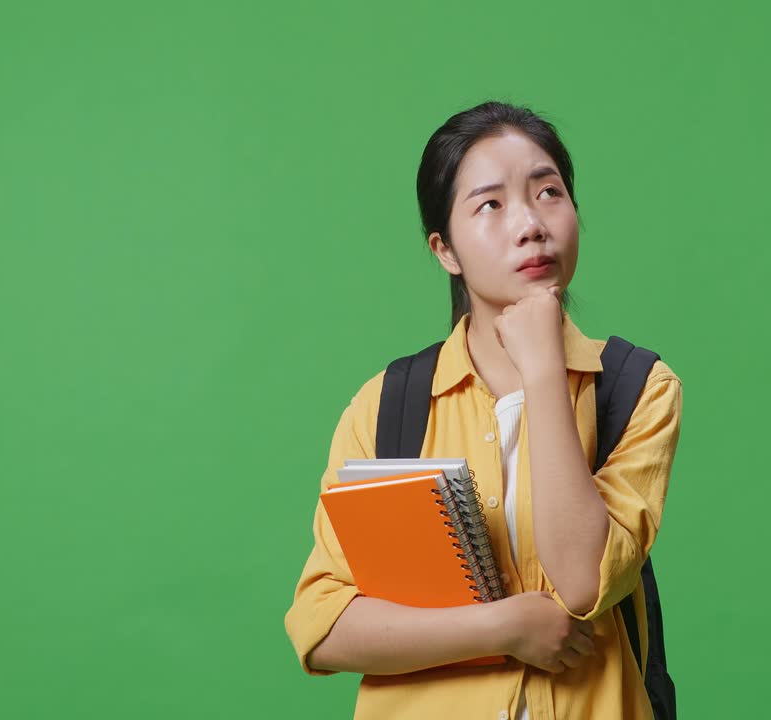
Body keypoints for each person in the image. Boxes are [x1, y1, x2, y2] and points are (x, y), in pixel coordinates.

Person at [284, 100, 684, 720]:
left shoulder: (636, 388)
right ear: (445, 250)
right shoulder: (387, 407)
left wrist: (545, 370)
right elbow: (322, 626)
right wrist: (502, 628)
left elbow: (582, 580)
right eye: (491, 204)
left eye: (548, 192)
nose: (530, 223)